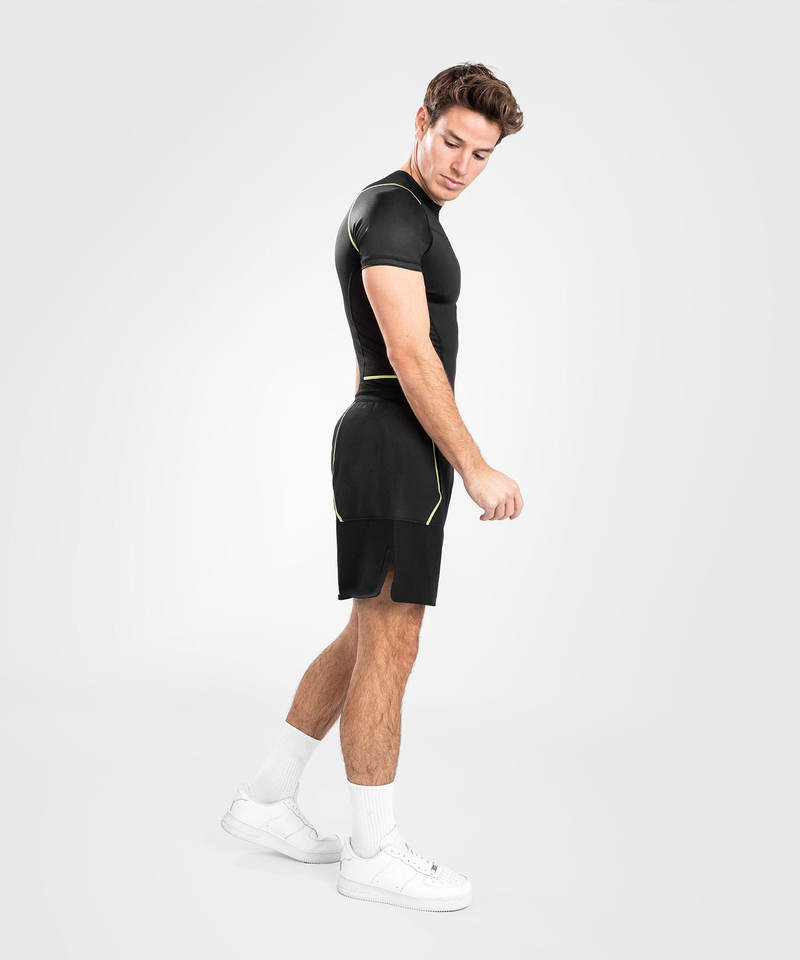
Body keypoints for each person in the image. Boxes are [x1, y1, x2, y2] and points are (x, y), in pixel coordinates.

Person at [221, 62, 524, 912]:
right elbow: (408, 352)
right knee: (394, 643)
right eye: (452, 141)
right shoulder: (391, 210)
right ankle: (372, 851)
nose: (462, 165)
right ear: (421, 121)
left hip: (395, 443)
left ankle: (266, 799)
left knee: (366, 636)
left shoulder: (413, 213)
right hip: (395, 441)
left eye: (482, 154)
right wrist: (474, 465)